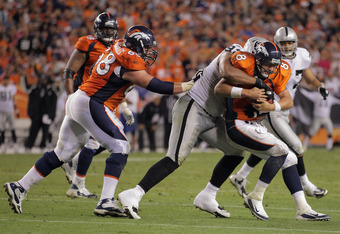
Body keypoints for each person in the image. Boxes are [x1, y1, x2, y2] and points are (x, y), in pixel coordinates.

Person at [3, 25, 194, 217]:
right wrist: (187, 85)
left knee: (63, 152)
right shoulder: (129, 59)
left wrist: (123, 106)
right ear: (138, 45)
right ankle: (105, 201)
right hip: (91, 102)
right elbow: (152, 84)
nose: (150, 52)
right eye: (147, 47)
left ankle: (20, 186)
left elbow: (111, 79)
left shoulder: (118, 46)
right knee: (121, 146)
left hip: (80, 99)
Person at [117, 43, 278, 220]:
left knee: (236, 152)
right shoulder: (235, 54)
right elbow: (226, 73)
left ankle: (207, 196)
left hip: (213, 116)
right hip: (194, 106)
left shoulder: (255, 71)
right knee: (175, 157)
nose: (268, 67)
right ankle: (134, 193)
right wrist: (254, 86)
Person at [229, 27, 329, 199]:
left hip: (284, 108)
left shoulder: (303, 56)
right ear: (276, 44)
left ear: (296, 43)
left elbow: (310, 78)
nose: (287, 46)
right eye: (283, 43)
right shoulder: (271, 59)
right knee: (296, 146)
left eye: (290, 42)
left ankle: (240, 176)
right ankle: (306, 185)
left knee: (270, 145)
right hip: (271, 108)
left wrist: (319, 87)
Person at [24, 74, 57, 152]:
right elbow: (30, 102)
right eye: (42, 79)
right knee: (33, 131)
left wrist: (51, 116)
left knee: (45, 131)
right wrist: (30, 113)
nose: (43, 81)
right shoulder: (35, 90)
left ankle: (42, 146)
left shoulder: (51, 92)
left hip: (46, 115)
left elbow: (53, 105)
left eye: (44, 79)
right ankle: (29, 146)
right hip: (36, 115)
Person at [301, 86, 340, 151]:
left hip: (326, 118)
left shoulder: (328, 97)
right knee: (312, 132)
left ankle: (329, 147)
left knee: (330, 131)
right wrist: (301, 90)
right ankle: (305, 146)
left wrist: (302, 90)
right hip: (317, 118)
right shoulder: (316, 95)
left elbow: (337, 101)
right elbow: (307, 94)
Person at [0, 75, 18, 152]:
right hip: (1, 111)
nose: (6, 81)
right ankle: (2, 144)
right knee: (1, 128)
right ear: (2, 80)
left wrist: (16, 110)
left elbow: (13, 99)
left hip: (10, 110)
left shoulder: (12, 88)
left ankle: (15, 144)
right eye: (5, 79)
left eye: (7, 79)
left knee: (13, 127)